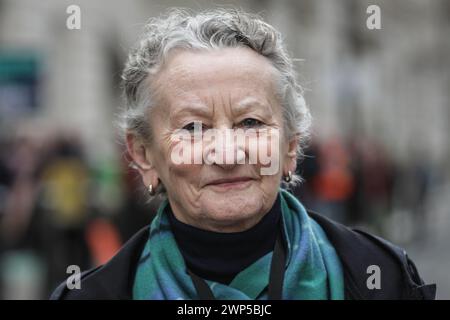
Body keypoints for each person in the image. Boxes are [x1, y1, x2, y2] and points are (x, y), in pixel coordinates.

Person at [51, 8, 435, 300]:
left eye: (250, 122)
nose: (228, 153)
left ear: (289, 147)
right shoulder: (94, 294)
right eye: (193, 128)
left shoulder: (381, 276)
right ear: (145, 155)